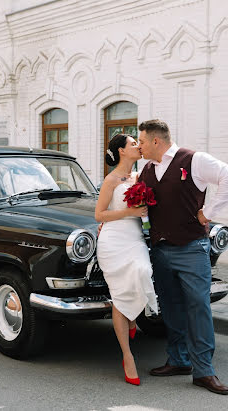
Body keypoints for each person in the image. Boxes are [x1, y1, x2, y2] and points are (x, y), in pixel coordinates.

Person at [136, 119, 228, 395]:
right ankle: (179, 361)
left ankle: (204, 371)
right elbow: (141, 206)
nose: (140, 146)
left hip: (192, 249)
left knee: (198, 308)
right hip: (160, 249)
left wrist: (209, 213)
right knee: (171, 307)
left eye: (143, 141)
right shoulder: (146, 169)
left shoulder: (194, 160)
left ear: (156, 141)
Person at [95, 133, 158, 386]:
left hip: (134, 239)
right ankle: (127, 356)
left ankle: (133, 317)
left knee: (143, 272)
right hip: (113, 242)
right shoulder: (110, 180)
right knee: (119, 296)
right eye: (134, 144)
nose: (138, 146)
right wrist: (129, 211)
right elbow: (99, 214)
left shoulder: (141, 176)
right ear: (122, 151)